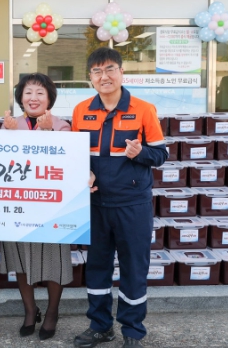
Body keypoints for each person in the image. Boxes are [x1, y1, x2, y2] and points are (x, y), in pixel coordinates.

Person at [71, 48, 167, 348]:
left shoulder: (144, 109)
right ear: (90, 77)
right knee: (97, 267)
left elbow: (160, 155)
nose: (105, 76)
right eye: (97, 71)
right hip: (95, 205)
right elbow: (74, 155)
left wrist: (141, 153)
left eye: (110, 69)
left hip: (132, 205)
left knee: (134, 268)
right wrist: (83, 173)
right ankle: (100, 326)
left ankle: (132, 331)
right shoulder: (81, 110)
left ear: (122, 72)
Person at [0, 73, 72, 341]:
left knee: (54, 262)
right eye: (28, 92)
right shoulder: (10, 125)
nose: (34, 98)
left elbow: (67, 163)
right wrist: (5, 135)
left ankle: (52, 312)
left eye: (40, 93)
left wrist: (49, 131)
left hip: (52, 209)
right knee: (21, 261)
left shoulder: (62, 126)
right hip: (17, 208)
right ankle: (30, 311)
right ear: (20, 98)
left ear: (50, 98)